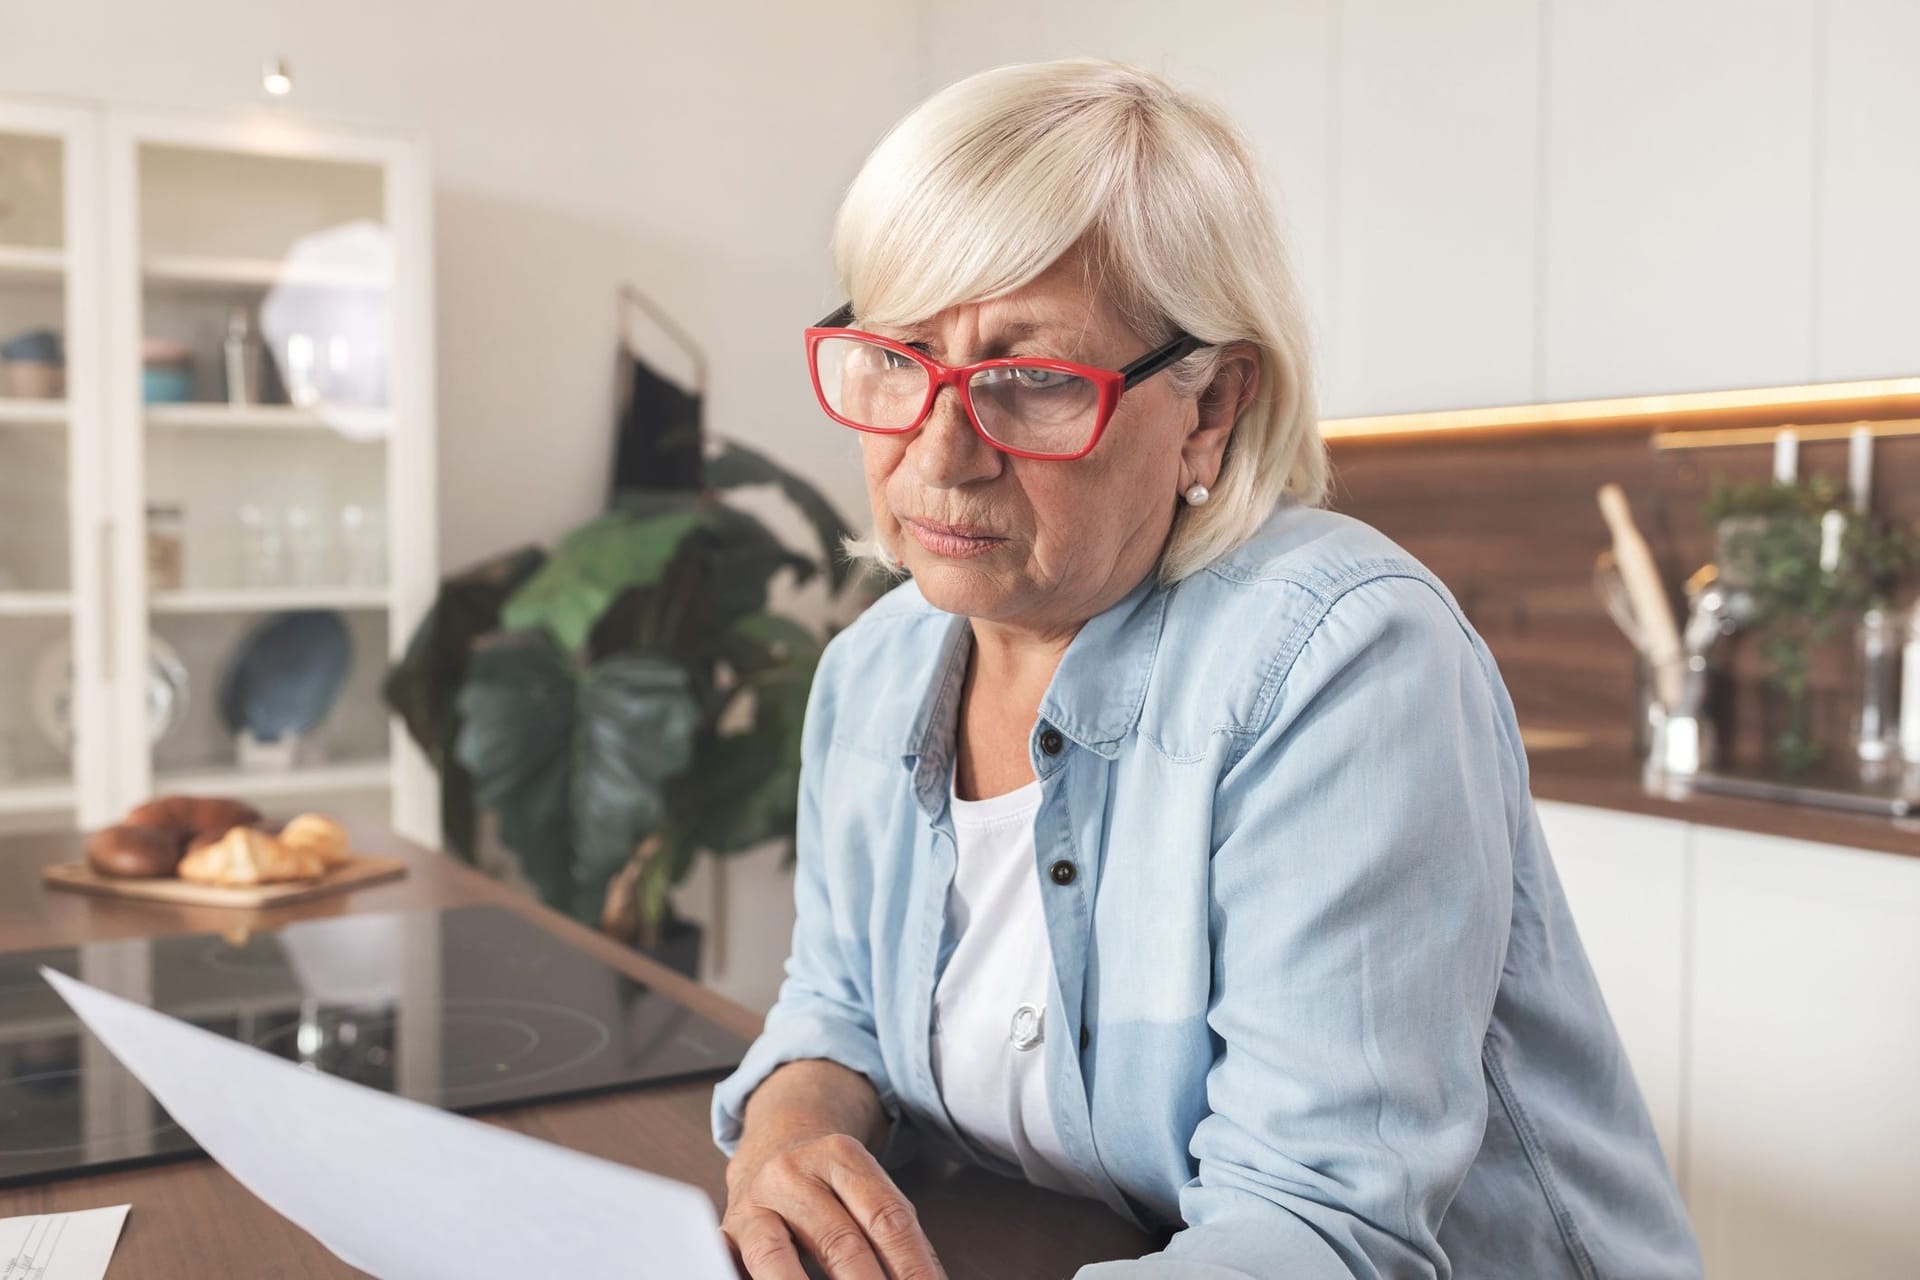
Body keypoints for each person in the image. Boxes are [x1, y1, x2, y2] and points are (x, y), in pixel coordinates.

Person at [711, 57, 1701, 1280]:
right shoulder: (877, 664)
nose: (941, 453)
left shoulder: (1337, 659)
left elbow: (1318, 1227)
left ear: (1212, 403)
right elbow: (838, 1005)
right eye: (899, 357)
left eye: (1028, 380)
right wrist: (790, 1127)